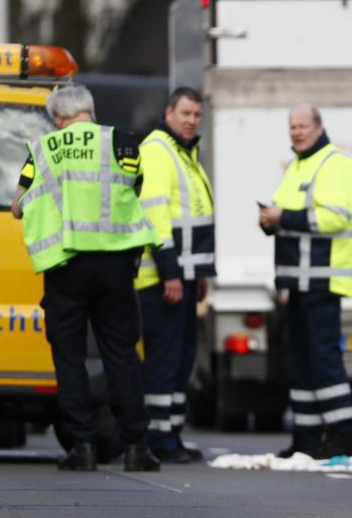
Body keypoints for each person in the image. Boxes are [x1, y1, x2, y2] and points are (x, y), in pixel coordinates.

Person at [11, 84, 161, 472]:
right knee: (121, 355)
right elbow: (135, 187)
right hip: (115, 265)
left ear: (58, 118)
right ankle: (135, 446)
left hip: (67, 267)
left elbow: (17, 205)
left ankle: (83, 446)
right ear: (90, 111)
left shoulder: (44, 149)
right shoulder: (123, 143)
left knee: (70, 358)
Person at [259, 104, 352, 459]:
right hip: (296, 282)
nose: (297, 132)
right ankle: (306, 438)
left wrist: (282, 216)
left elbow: (336, 218)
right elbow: (287, 216)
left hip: (322, 280)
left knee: (324, 360)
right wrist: (270, 220)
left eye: (303, 126)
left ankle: (342, 437)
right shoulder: (296, 166)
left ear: (319, 128)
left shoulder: (337, 164)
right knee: (300, 361)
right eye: (292, 126)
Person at [135, 87, 215, 463]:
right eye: (185, 113)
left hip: (182, 276)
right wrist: (169, 272)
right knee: (164, 361)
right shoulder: (157, 150)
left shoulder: (184, 153)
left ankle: (172, 435)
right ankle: (157, 438)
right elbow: (155, 215)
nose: (191, 120)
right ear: (168, 112)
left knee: (182, 360)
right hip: (161, 279)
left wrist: (197, 274)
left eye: (197, 115)